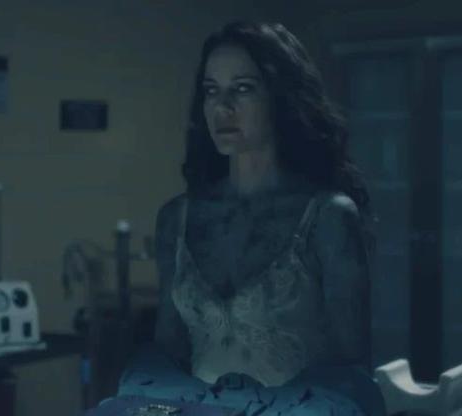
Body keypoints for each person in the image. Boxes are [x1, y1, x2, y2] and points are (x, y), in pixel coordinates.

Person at [110, 21, 385, 416]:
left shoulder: (327, 217)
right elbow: (169, 357)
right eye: (211, 90)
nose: (223, 107)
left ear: (280, 97)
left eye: (242, 88)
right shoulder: (177, 218)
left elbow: (351, 377)